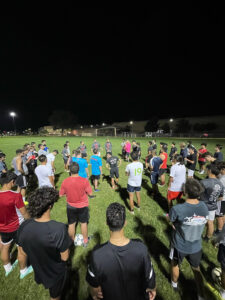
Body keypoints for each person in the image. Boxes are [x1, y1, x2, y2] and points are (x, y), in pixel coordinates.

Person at [86, 202, 156, 300]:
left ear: (106, 222)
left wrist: (94, 294)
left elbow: (94, 288)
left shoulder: (97, 255)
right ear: (125, 222)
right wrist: (153, 290)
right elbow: (151, 282)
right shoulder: (141, 249)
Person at [17, 187, 72, 300]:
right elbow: (65, 257)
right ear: (50, 206)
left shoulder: (24, 226)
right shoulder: (59, 229)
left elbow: (22, 251)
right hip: (55, 273)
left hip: (39, 269)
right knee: (55, 297)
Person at [167, 178, 208, 300]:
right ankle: (201, 295)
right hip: (196, 246)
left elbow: (171, 220)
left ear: (185, 192)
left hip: (179, 245)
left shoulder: (178, 209)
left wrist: (168, 219)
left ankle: (174, 284)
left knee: (174, 264)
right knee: (196, 269)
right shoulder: (204, 207)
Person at [0, 172, 32, 278]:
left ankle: (7, 268)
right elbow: (24, 212)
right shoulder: (15, 195)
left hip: (2, 228)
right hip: (17, 227)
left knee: (5, 247)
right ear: (11, 182)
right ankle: (23, 271)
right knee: (21, 249)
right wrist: (30, 221)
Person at [59, 162, 94, 247]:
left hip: (71, 206)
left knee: (71, 223)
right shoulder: (84, 180)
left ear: (69, 170)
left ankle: (71, 241)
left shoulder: (65, 181)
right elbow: (90, 193)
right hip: (82, 205)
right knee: (83, 223)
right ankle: (85, 241)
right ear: (78, 170)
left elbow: (60, 195)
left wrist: (67, 194)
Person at [200, 164, 224, 241]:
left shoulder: (204, 182)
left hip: (202, 206)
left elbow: (197, 193)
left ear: (209, 171)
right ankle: (207, 237)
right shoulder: (220, 183)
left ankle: (195, 235)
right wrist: (213, 200)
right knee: (210, 222)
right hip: (213, 206)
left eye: (207, 170)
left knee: (199, 221)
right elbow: (220, 196)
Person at [215, 162, 225, 235]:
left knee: (219, 216)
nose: (219, 171)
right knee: (223, 215)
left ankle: (219, 230)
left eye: (220, 170)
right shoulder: (222, 176)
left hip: (222, 200)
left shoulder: (222, 179)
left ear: (223, 169)